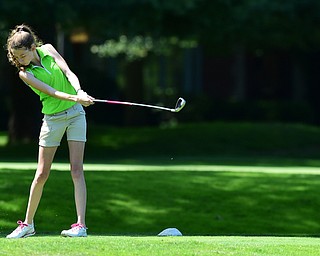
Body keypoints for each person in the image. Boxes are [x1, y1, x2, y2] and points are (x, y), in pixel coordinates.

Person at [5, 24, 94, 238]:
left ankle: (81, 226)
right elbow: (52, 92)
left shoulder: (49, 50)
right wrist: (76, 97)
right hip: (52, 119)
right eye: (15, 56)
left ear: (33, 47)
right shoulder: (24, 74)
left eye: (22, 55)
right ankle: (28, 224)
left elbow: (68, 72)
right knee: (42, 173)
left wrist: (79, 91)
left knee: (76, 170)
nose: (19, 60)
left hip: (75, 115)